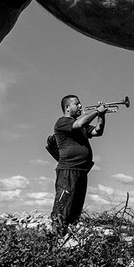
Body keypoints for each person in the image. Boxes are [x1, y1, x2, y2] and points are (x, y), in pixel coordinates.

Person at [46, 94, 107, 235]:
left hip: (81, 171)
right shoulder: (62, 122)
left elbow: (98, 131)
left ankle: (68, 240)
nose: (80, 106)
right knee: (62, 208)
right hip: (68, 170)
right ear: (67, 107)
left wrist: (102, 115)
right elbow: (79, 123)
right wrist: (97, 111)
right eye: (77, 104)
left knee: (75, 209)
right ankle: (55, 239)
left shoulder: (82, 126)